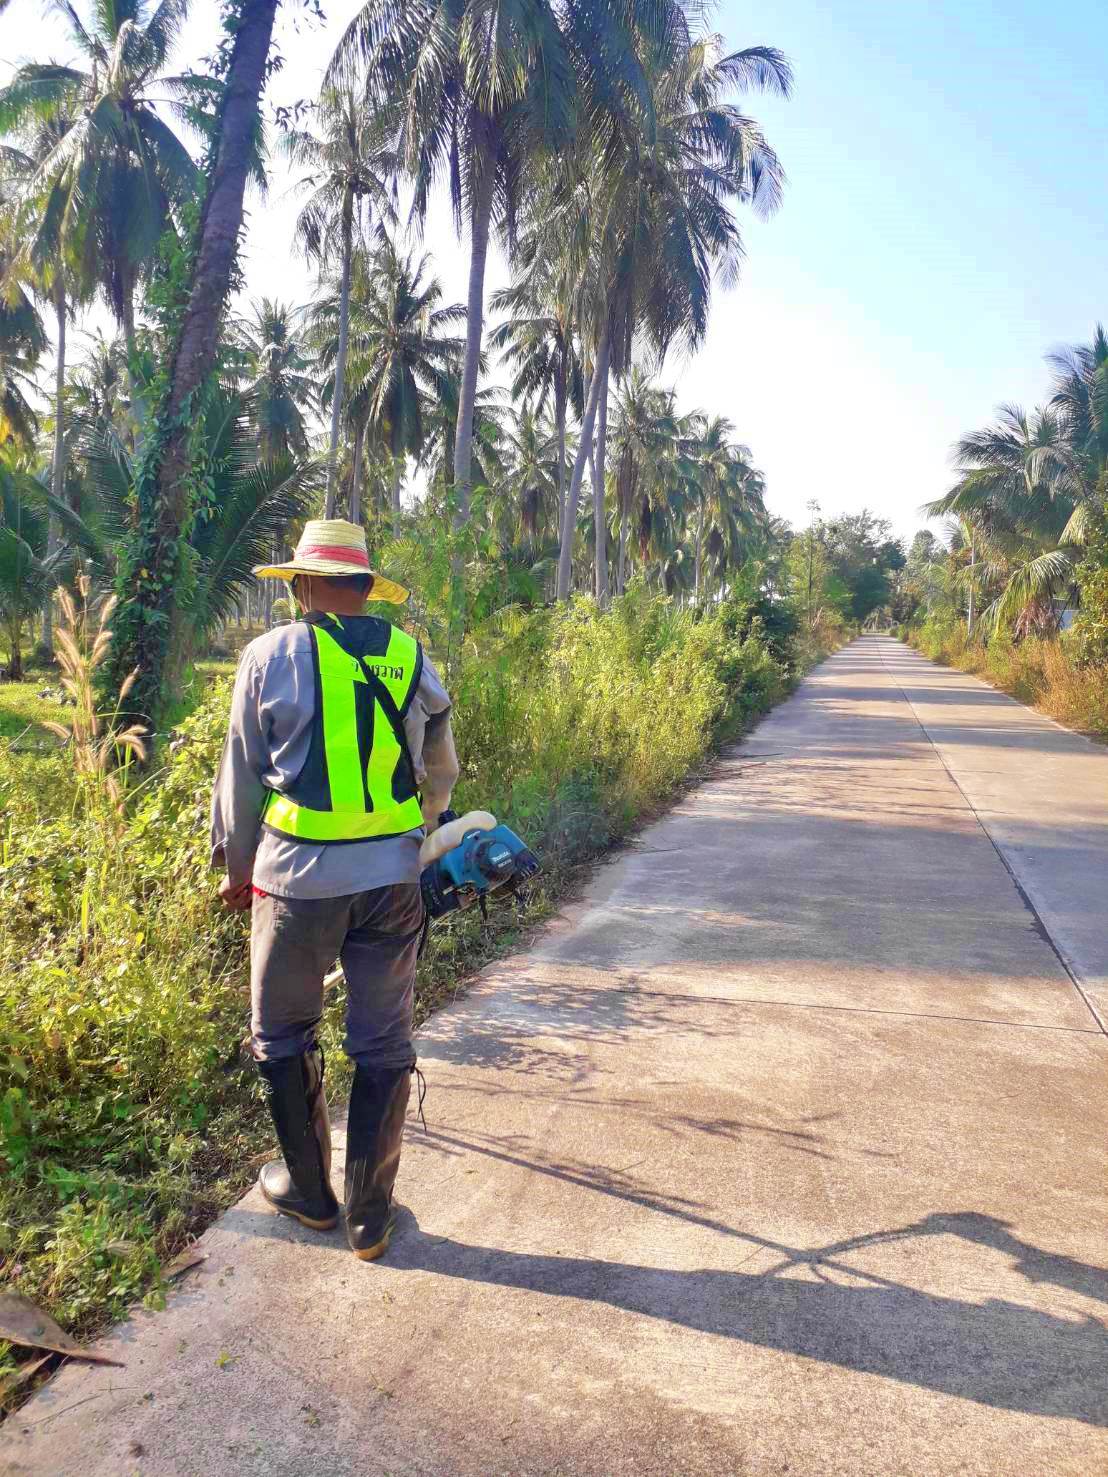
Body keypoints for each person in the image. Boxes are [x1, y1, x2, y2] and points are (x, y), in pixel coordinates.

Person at [210, 519, 458, 1261]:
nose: (294, 597)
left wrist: (235, 871)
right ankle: (370, 1219)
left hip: (295, 881)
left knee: (282, 1032)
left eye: (296, 585)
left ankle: (313, 1196)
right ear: (361, 587)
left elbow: (243, 774)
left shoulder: (269, 654)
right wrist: (416, 837)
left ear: (311, 585)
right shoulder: (409, 655)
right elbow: (439, 767)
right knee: (382, 1040)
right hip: (390, 881)